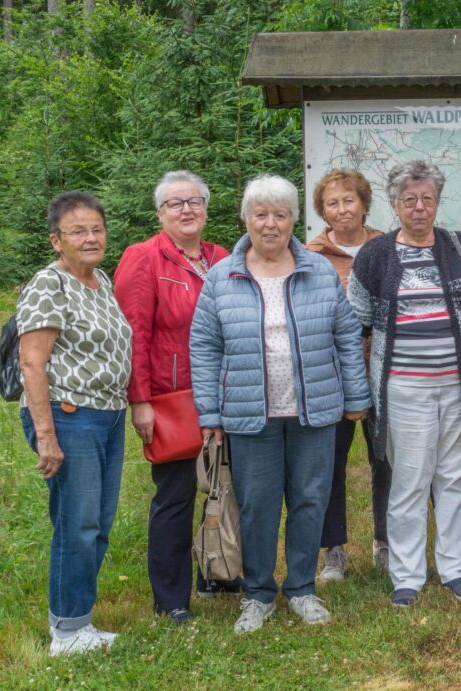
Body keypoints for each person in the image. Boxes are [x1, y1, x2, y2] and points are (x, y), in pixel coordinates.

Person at [189, 174, 371, 634]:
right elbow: (205, 346)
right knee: (257, 505)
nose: (270, 224)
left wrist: (355, 396)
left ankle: (302, 589)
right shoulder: (221, 277)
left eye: (281, 214)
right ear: (246, 219)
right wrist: (210, 412)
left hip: (314, 410)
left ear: (293, 219)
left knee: (310, 499)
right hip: (251, 414)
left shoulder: (318, 270)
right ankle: (258, 593)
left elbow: (346, 335)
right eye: (260, 214)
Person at [348, 160, 461, 608]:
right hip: (402, 388)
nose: (420, 208)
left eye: (427, 199)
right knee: (408, 480)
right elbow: (357, 326)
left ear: (438, 202)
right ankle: (406, 574)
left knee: (454, 478)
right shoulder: (374, 256)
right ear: (394, 204)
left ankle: (455, 570)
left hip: (456, 386)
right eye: (410, 200)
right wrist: (359, 391)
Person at [114, 170, 237, 625]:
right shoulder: (143, 258)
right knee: (177, 496)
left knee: (224, 490)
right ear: (160, 212)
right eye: (175, 203)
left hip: (227, 394)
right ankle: (171, 599)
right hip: (173, 399)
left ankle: (220, 573)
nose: (187, 210)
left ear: (207, 208)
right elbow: (134, 334)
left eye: (195, 201)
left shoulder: (221, 257)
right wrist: (140, 400)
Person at [17, 192, 133, 656]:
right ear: (56, 241)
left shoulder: (100, 280)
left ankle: (78, 620)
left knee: (98, 523)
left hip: (107, 417)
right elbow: (32, 362)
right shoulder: (50, 285)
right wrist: (46, 436)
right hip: (69, 417)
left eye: (97, 229)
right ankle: (67, 631)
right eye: (78, 231)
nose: (91, 238)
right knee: (77, 524)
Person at [306, 169, 391, 582]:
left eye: (349, 201)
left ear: (364, 204)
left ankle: (386, 541)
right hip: (332, 376)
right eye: (332, 203)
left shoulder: (389, 249)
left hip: (386, 373)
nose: (342, 210)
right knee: (329, 464)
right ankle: (333, 550)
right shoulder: (310, 256)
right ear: (322, 210)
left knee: (386, 459)